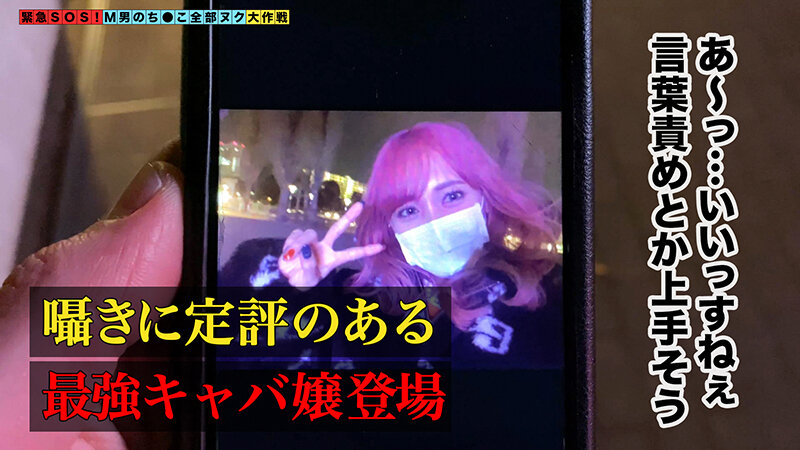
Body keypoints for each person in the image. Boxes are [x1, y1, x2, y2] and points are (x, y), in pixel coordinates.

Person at [279, 121, 562, 367]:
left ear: (485, 200)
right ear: (392, 227)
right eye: (408, 211)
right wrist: (305, 289)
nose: (434, 221)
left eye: (452, 196)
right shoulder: (365, 304)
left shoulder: (547, 299)